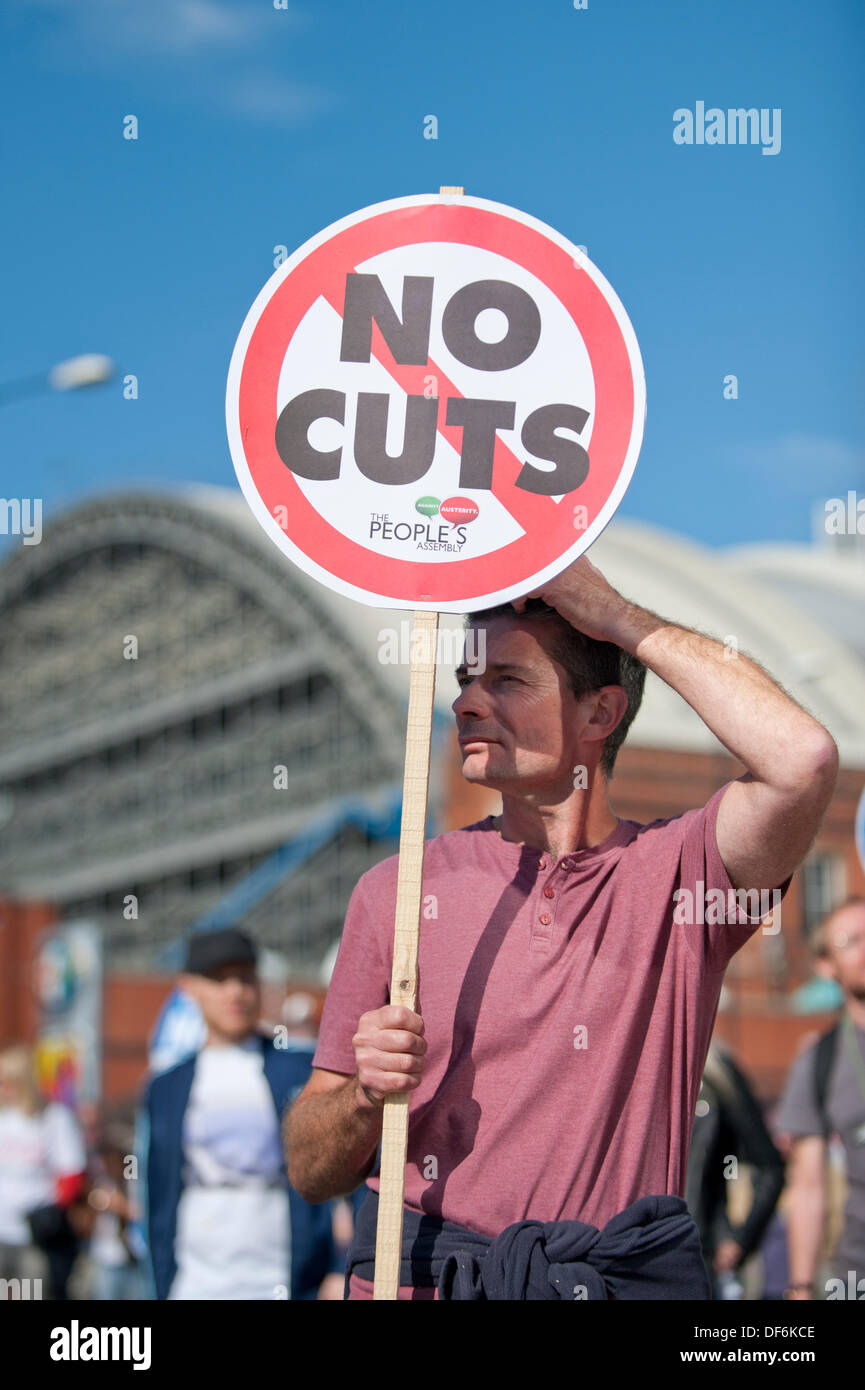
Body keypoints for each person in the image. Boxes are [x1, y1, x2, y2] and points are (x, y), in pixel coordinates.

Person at [285, 554, 838, 1300]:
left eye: (506, 680)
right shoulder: (397, 888)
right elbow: (309, 1172)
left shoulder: (682, 877)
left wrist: (617, 616)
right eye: (463, 681)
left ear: (599, 714)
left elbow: (801, 760)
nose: (467, 703)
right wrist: (360, 1100)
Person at [139, 926, 338, 1299]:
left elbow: (341, 1165)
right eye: (219, 979)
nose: (235, 992)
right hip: (195, 1280)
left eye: (245, 978)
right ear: (188, 987)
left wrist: (338, 1267)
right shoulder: (165, 1087)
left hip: (283, 1277)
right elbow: (155, 1193)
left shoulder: (300, 1068)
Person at [774, 897, 865, 1300]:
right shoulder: (819, 1061)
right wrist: (801, 1288)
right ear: (827, 967)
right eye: (852, 940)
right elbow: (809, 1188)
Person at [685, 1038, 785, 1297]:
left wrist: (739, 1240)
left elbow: (770, 1166)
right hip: (632, 1257)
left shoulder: (716, 1074)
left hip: (699, 1257)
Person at [0, 1044, 87, 1299]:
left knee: (32, 1294)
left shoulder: (53, 1117)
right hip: (1, 1233)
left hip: (35, 1239)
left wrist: (48, 1213)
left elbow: (72, 1173)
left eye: (7, 1082)